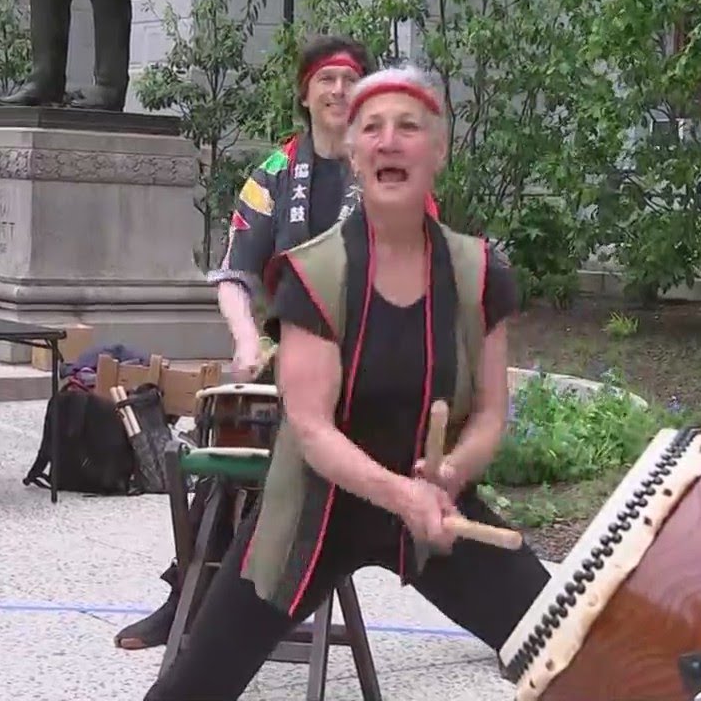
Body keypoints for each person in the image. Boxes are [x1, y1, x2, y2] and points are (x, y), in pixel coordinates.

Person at [143, 64, 552, 700]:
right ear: (355, 154)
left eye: (409, 127)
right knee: (194, 688)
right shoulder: (314, 274)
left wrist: (449, 474)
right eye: (373, 128)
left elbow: (491, 412)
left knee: (570, 645)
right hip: (313, 508)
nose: (389, 141)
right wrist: (402, 495)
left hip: (428, 501)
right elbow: (310, 428)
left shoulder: (478, 273)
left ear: (438, 150)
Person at [112, 34, 380, 651]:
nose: (339, 91)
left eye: (350, 81)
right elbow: (235, 274)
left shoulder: (385, 166)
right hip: (291, 365)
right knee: (232, 443)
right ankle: (194, 595)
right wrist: (246, 340)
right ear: (305, 95)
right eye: (326, 80)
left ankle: (209, 602)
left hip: (364, 373)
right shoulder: (276, 174)